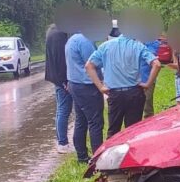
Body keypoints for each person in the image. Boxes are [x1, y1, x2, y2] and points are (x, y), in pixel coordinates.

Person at [85, 33, 161, 138]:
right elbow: (157, 64)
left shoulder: (105, 46)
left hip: (115, 94)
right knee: (133, 131)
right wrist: (148, 84)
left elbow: (89, 65)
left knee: (113, 131)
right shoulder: (138, 46)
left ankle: (111, 152)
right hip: (134, 93)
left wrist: (101, 87)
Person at [65, 32, 103, 163]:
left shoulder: (72, 39)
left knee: (81, 120)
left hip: (74, 84)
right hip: (87, 86)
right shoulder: (85, 41)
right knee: (95, 122)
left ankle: (81, 155)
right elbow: (94, 63)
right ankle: (98, 158)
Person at [44, 24, 73, 154]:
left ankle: (61, 140)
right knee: (63, 110)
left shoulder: (52, 31)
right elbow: (61, 59)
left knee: (61, 109)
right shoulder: (59, 35)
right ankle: (62, 142)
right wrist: (64, 81)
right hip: (61, 79)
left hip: (57, 78)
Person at [141, 37, 161, 118]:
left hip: (147, 80)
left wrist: (140, 43)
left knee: (147, 108)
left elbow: (150, 55)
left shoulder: (154, 42)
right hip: (133, 81)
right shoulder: (132, 41)